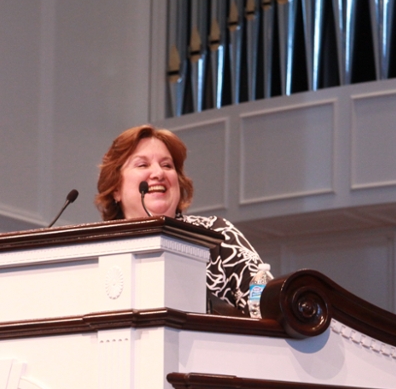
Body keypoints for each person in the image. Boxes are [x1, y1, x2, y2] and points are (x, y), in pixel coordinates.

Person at [95, 124, 271, 318]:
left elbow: (267, 301)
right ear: (115, 189)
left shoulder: (216, 236)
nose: (158, 173)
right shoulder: (95, 249)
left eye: (167, 165)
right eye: (143, 165)